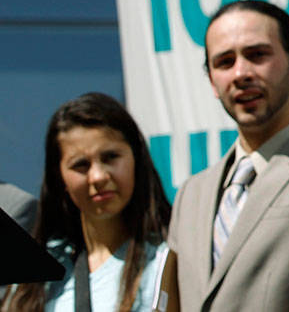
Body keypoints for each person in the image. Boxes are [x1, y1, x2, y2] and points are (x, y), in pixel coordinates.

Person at [167, 0, 289, 312]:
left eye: (257, 55)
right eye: (224, 62)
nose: (241, 73)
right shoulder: (191, 195)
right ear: (212, 82)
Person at [4, 93, 170, 312]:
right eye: (81, 165)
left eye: (111, 157)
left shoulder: (166, 258)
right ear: (59, 177)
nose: (98, 176)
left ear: (136, 159)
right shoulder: (36, 277)